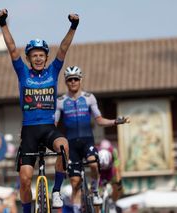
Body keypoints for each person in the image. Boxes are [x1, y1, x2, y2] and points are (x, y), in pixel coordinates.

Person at [0, 8, 79, 212]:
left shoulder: (54, 70)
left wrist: (73, 26)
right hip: (30, 131)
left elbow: (63, 48)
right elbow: (12, 48)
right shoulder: (23, 72)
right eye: (35, 55)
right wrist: (3, 23)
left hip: (49, 128)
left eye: (42, 55)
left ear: (46, 57)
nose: (39, 58)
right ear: (29, 57)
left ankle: (57, 191)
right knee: (24, 180)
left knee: (63, 147)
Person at [55, 66, 129, 212]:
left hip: (87, 141)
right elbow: (54, 124)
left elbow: (99, 120)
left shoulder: (89, 98)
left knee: (94, 165)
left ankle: (95, 191)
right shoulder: (60, 101)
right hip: (71, 146)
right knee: (75, 183)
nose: (73, 82)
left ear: (80, 80)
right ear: (66, 82)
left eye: (76, 79)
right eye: (70, 79)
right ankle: (76, 209)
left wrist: (115, 121)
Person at [98, 139, 123, 210]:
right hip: (101, 171)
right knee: (97, 189)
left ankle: (113, 202)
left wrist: (119, 183)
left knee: (116, 185)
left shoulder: (113, 151)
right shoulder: (97, 152)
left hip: (110, 169)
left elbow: (117, 169)